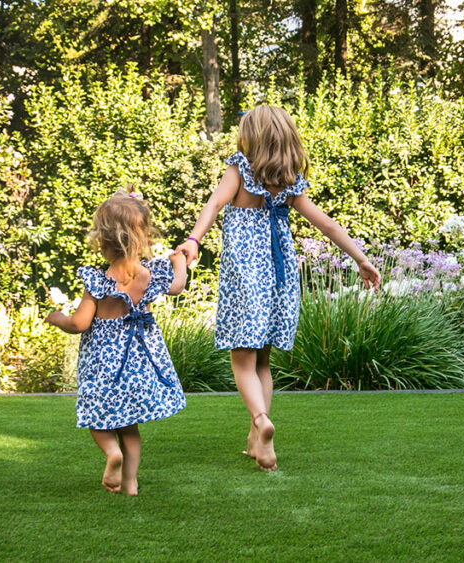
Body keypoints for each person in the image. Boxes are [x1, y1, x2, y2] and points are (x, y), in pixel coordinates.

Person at [176, 105, 381, 471]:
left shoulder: (240, 169)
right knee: (264, 359)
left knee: (242, 358)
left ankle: (259, 421)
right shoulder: (289, 183)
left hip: (246, 275)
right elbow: (328, 225)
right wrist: (360, 258)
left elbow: (214, 203)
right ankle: (257, 441)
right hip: (280, 275)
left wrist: (193, 239)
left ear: (250, 137)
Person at [46, 191, 188, 495]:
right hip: (138, 361)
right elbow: (177, 286)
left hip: (103, 362)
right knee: (130, 425)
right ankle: (130, 482)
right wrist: (180, 263)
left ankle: (112, 454)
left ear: (103, 240)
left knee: (96, 415)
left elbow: (79, 324)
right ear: (143, 236)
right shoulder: (150, 275)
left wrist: (56, 317)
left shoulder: (98, 280)